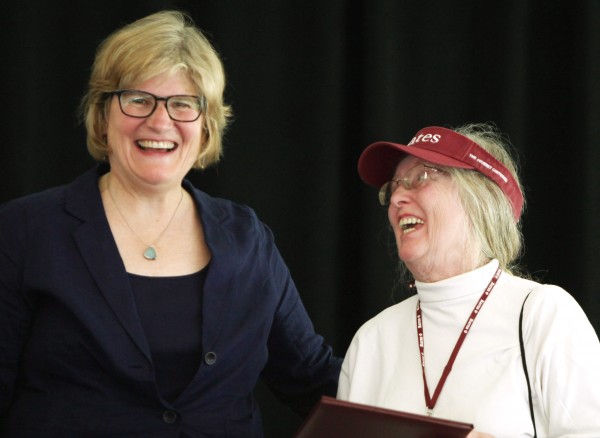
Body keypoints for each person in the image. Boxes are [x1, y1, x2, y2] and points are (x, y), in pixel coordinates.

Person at [0, 10, 341, 437]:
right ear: (104, 115)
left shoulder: (247, 237)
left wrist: (433, 418)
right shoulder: (26, 230)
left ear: (206, 127)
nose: (160, 122)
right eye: (139, 99)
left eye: (183, 104)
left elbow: (311, 377)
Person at [337, 123, 600, 437]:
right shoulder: (371, 341)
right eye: (393, 187)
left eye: (420, 177)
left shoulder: (541, 314)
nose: (396, 200)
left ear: (479, 199)